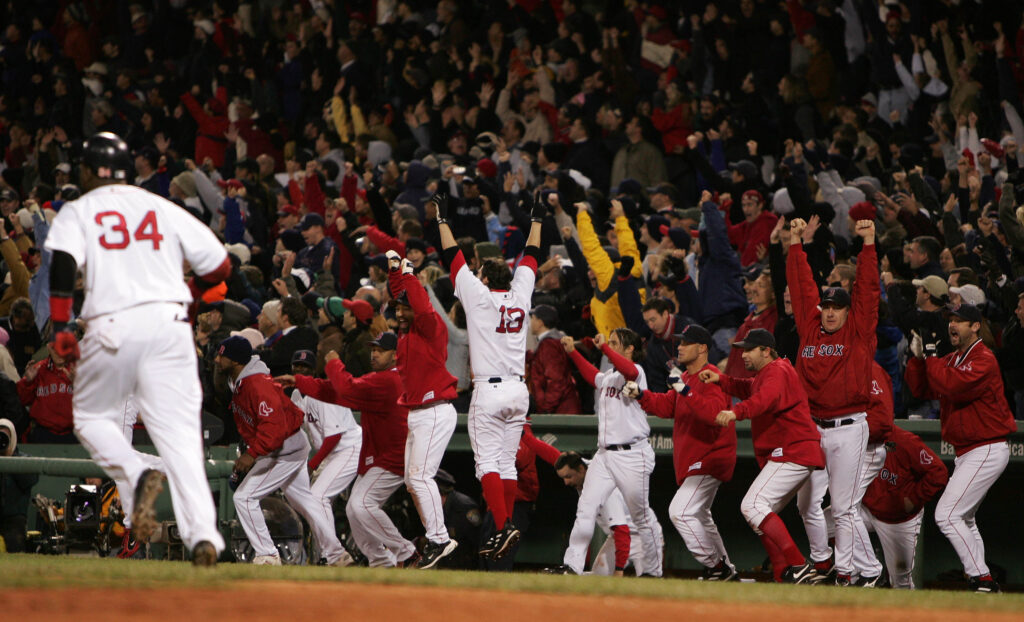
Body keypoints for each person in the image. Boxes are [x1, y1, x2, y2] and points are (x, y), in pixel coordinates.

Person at [44, 132, 229, 567]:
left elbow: (63, 263)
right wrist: (197, 291)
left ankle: (134, 470)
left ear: (89, 171)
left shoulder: (81, 209)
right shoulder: (163, 207)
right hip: (170, 325)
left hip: (112, 324)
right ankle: (203, 537)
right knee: (182, 437)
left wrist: (59, 325)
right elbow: (219, 266)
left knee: (91, 417)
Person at [434, 190, 544, 561]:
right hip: (519, 391)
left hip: (490, 391)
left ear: (484, 277)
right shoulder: (520, 293)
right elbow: (532, 256)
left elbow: (453, 258)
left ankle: (503, 527)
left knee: (487, 466)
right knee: (506, 462)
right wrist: (538, 220)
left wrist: (442, 221)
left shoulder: (479, 297)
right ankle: (507, 524)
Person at [786, 217, 879, 585]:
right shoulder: (810, 326)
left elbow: (869, 291)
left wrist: (868, 245)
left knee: (842, 507)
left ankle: (846, 572)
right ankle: (822, 562)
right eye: (826, 306)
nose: (829, 311)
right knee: (805, 503)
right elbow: (800, 286)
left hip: (849, 427)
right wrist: (795, 244)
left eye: (836, 307)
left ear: (846, 310)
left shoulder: (859, 330)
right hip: (812, 427)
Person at [905, 303, 1017, 593]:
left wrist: (930, 357)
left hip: (987, 448)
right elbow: (923, 389)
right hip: (969, 451)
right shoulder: (954, 358)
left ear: (976, 326)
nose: (952, 325)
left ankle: (981, 577)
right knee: (964, 518)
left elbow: (951, 385)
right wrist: (917, 359)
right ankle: (983, 583)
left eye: (960, 320)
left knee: (947, 514)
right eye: (950, 320)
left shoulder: (984, 358)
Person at [214, 336, 352, 567]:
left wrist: (252, 454)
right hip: (287, 445)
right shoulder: (240, 382)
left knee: (244, 498)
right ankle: (337, 554)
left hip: (283, 448)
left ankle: (267, 554)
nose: (217, 359)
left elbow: (273, 427)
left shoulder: (256, 383)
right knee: (304, 501)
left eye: (222, 355)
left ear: (236, 360)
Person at [700, 329, 825, 583]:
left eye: (749, 349)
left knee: (752, 505)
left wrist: (736, 412)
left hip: (793, 450)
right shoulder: (767, 373)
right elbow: (749, 387)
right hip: (793, 451)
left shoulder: (777, 370)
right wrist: (721, 380)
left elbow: (764, 399)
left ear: (766, 350)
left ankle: (799, 564)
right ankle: (782, 573)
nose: (743, 354)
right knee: (757, 515)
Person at [285, 332, 417, 568]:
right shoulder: (379, 378)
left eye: (381, 350)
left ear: (396, 356)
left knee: (359, 505)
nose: (374, 354)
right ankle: (381, 561)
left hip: (391, 456)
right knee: (354, 509)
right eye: (373, 349)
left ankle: (406, 553)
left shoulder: (390, 380)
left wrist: (334, 361)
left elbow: (345, 389)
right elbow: (337, 392)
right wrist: (300, 382)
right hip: (377, 456)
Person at [625, 324, 738, 580]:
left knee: (681, 511)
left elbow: (713, 415)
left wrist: (684, 391)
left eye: (686, 343)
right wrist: (641, 395)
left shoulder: (710, 376)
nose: (680, 347)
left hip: (711, 457)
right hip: (696, 458)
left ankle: (716, 566)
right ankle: (726, 569)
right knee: (700, 515)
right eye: (679, 342)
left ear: (702, 348)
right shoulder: (685, 378)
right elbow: (667, 407)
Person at [556, 329, 663, 576]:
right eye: (610, 342)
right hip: (604, 456)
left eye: (616, 343)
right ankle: (571, 565)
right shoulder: (609, 377)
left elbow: (630, 371)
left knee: (641, 516)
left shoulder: (637, 372)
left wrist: (604, 348)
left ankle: (653, 571)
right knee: (586, 507)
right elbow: (593, 376)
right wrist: (573, 353)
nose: (610, 345)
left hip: (633, 454)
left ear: (629, 350)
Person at [386, 250, 460, 569]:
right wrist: (395, 275)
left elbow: (418, 304)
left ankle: (440, 539)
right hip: (418, 413)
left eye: (405, 308)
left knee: (420, 478)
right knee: (411, 480)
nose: (401, 314)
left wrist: (411, 277)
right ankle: (435, 536)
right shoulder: (405, 333)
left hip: (435, 410)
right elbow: (402, 300)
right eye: (398, 309)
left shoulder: (431, 326)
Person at [287, 350, 362, 560]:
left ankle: (333, 555)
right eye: (296, 366)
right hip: (332, 454)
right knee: (315, 499)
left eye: (305, 367)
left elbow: (334, 436)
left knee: (318, 496)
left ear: (313, 370)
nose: (300, 370)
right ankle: (328, 554)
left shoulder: (320, 394)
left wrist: (312, 465)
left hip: (350, 447)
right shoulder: (296, 396)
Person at [861, 426, 949, 589]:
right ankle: (857, 572)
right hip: (866, 509)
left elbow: (938, 472)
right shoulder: (856, 434)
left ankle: (908, 613)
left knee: (901, 583)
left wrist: (914, 498)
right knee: (831, 521)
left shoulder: (905, 441)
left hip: (898, 519)